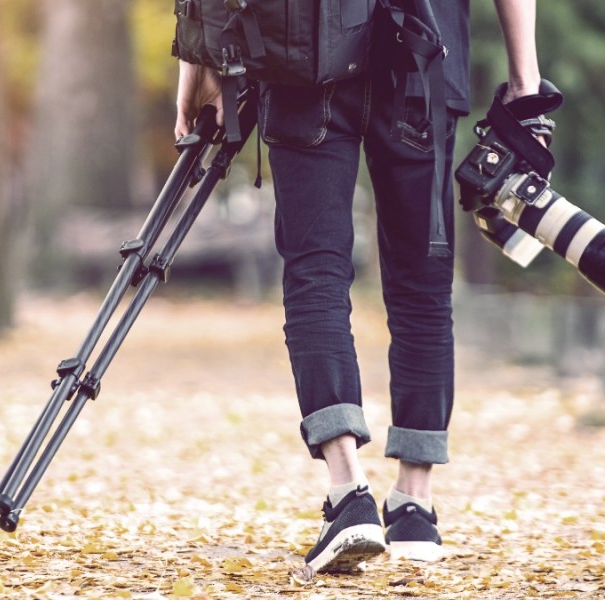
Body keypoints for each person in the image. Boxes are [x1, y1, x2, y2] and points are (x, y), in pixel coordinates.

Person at [174, 0, 544, 574]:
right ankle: (415, 505)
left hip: (302, 50)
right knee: (422, 284)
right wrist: (526, 81)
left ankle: (349, 495)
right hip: (424, 51)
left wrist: (200, 63)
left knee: (317, 272)